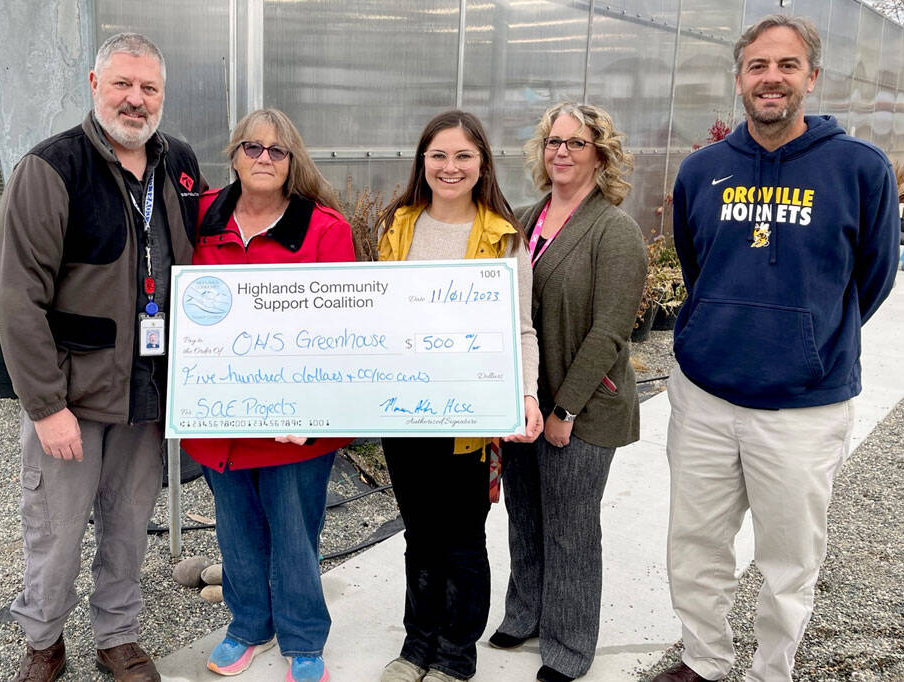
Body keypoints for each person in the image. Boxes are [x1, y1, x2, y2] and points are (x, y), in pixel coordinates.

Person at [655, 14, 899, 682]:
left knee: (789, 557)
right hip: (705, 400)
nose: (772, 78)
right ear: (739, 78)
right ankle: (703, 662)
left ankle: (772, 669)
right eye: (758, 66)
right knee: (695, 546)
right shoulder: (703, 170)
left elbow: (872, 278)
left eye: (787, 66)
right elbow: (696, 264)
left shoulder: (859, 168)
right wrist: (719, 329)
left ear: (811, 77)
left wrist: (808, 339)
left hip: (802, 408)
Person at [0, 33, 205, 682]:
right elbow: (16, 295)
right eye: (122, 85)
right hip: (75, 393)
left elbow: (204, 270)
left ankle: (117, 636)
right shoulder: (52, 169)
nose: (135, 101)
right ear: (93, 84)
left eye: (148, 89)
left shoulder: (182, 164)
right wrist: (46, 406)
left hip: (146, 388)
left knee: (128, 521)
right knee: (55, 532)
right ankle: (44, 641)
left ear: (162, 96)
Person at [180, 108, 354, 682]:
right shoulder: (200, 216)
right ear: (232, 155)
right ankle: (248, 624)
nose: (262, 159)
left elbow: (343, 328)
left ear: (292, 161)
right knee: (234, 529)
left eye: (276, 151)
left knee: (295, 532)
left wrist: (314, 404)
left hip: (294, 425)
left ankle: (304, 638)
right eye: (251, 148)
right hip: (221, 417)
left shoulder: (324, 229)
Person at [376, 110, 543, 682]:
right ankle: (416, 644)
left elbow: (521, 327)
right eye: (439, 155)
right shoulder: (399, 227)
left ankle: (456, 652)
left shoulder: (503, 237)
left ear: (482, 165)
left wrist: (526, 395)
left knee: (463, 539)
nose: (450, 167)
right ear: (422, 161)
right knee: (419, 535)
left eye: (463, 156)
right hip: (403, 413)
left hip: (467, 418)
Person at [488, 103, 647, 682]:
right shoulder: (524, 220)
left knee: (571, 525)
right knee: (525, 513)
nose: (562, 152)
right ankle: (525, 612)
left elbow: (610, 332)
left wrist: (564, 410)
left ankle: (569, 644)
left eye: (577, 144)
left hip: (584, 403)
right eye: (554, 141)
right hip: (527, 397)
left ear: (600, 154)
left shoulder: (615, 230)